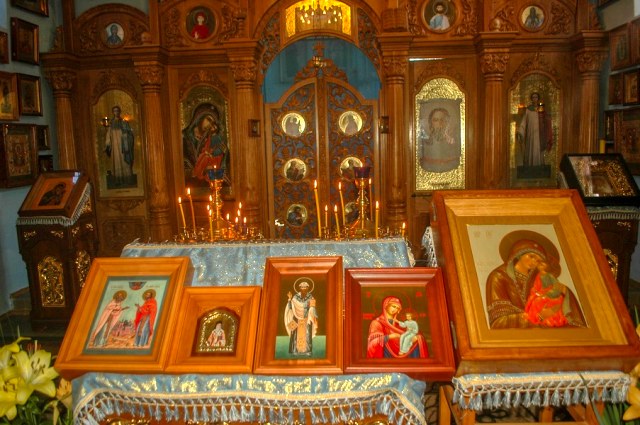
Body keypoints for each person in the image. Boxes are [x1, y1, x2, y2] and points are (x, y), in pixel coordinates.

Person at [485, 233, 586, 329]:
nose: (534, 262)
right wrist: (539, 316)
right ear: (519, 254)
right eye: (531, 256)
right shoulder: (499, 277)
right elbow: (499, 321)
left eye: (538, 260)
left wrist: (562, 293)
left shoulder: (539, 278)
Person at [183, 104, 228, 183]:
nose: (210, 125)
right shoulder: (184, 138)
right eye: (208, 120)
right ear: (199, 117)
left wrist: (224, 153)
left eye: (213, 123)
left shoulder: (211, 138)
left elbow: (222, 158)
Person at [516, 92, 553, 168]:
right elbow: (524, 122)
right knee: (530, 149)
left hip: (539, 134)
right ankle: (529, 167)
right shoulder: (528, 110)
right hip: (530, 134)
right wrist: (520, 132)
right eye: (533, 97)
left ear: (538, 98)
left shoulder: (541, 109)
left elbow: (546, 121)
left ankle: (539, 167)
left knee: (538, 150)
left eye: (536, 97)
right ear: (531, 99)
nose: (535, 99)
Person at [419, 107, 460, 173]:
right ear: (431, 123)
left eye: (442, 120)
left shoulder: (453, 143)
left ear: (447, 122)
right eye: (435, 120)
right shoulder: (425, 143)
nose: (439, 123)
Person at [284, 277, 318, 356]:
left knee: (307, 335)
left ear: (308, 288)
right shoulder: (295, 297)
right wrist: (289, 299)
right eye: (302, 287)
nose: (304, 289)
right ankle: (294, 351)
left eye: (305, 287)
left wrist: (311, 310)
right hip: (296, 318)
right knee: (295, 334)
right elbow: (290, 307)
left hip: (307, 319)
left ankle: (307, 351)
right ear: (299, 288)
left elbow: (313, 307)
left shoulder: (310, 297)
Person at [104, 105, 135, 187]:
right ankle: (118, 180)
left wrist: (126, 136)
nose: (116, 112)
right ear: (113, 112)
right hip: (115, 147)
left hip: (123, 146)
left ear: (119, 112)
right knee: (116, 161)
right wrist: (107, 144)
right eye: (114, 111)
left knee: (125, 162)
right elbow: (108, 135)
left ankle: (127, 180)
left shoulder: (124, 122)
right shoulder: (111, 123)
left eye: (117, 111)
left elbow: (130, 133)